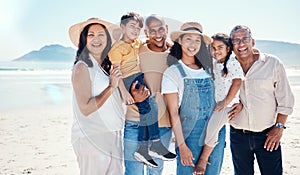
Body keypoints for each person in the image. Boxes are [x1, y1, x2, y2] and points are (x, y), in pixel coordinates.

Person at [108, 12, 176, 168]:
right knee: (150, 107)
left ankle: (148, 148)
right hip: (130, 82)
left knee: (150, 108)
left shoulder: (137, 44)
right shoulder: (118, 48)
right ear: (122, 27)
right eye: (132, 26)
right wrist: (125, 93)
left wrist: (171, 45)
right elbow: (116, 72)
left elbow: (154, 42)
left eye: (138, 28)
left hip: (163, 121)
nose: (135, 30)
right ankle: (152, 146)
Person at [229, 25, 295, 175]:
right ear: (231, 46)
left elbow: (286, 99)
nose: (241, 44)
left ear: (252, 41)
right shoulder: (227, 67)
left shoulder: (273, 64)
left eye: (245, 39)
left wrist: (279, 127)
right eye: (236, 41)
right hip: (238, 136)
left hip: (268, 134)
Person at [162, 22, 226, 175]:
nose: (193, 44)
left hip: (215, 131)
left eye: (197, 40)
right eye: (188, 39)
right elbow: (173, 113)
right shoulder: (173, 73)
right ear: (180, 41)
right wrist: (182, 146)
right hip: (189, 135)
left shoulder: (210, 68)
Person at [69, 18, 125, 175]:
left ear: (107, 39)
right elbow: (86, 109)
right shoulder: (82, 67)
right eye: (91, 35)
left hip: (112, 134)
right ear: (84, 40)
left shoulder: (106, 68)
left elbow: (113, 102)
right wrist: (111, 87)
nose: (96, 39)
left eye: (101, 34)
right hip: (92, 136)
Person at [196, 33, 244, 174]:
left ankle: (203, 160)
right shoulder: (215, 62)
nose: (216, 50)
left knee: (212, 129)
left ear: (228, 48)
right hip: (217, 105)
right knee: (211, 129)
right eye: (213, 47)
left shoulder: (232, 62)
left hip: (227, 106)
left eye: (220, 47)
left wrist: (225, 102)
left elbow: (237, 82)